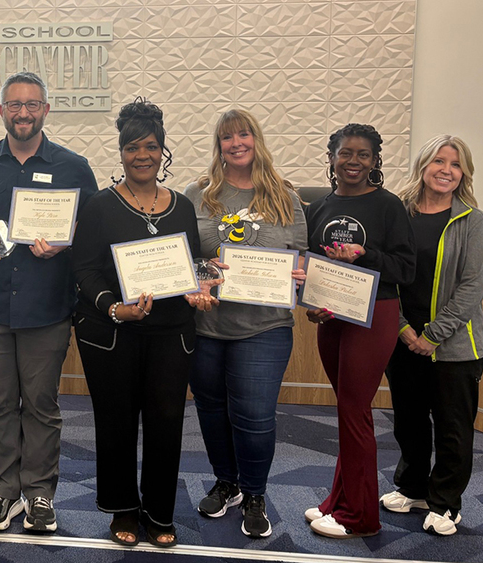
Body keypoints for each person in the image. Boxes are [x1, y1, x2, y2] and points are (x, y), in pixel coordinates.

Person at [0, 71, 98, 533]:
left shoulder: (74, 167)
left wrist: (65, 240)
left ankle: (39, 493)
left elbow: (92, 226)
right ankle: (2, 489)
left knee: (41, 404)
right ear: (2, 111)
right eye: (14, 104)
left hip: (47, 304)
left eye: (32, 104)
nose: (23, 113)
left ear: (45, 110)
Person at [72, 98, 217, 548]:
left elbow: (190, 265)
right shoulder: (99, 205)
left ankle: (158, 512)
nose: (142, 155)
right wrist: (116, 308)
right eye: (132, 147)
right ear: (120, 152)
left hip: (172, 332)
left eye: (151, 146)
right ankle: (123, 508)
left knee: (167, 421)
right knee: (116, 420)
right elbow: (85, 271)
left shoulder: (182, 207)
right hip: (113, 331)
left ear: (162, 151)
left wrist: (200, 287)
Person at [184, 109, 307, 538]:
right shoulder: (198, 194)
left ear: (256, 139)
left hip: (265, 327)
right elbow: (184, 256)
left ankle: (255, 493)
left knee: (254, 416)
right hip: (207, 325)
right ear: (218, 146)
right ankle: (227, 483)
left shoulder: (284, 196)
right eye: (227, 137)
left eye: (243, 134)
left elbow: (302, 256)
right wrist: (203, 270)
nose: (236, 143)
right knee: (212, 410)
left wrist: (300, 275)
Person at [304, 123, 416, 539]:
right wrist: (313, 306)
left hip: (374, 316)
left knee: (355, 411)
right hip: (331, 317)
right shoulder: (319, 206)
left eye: (363, 155)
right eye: (346, 153)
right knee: (347, 409)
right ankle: (339, 500)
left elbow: (406, 268)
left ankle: (360, 517)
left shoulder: (388, 206)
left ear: (375, 161)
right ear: (331, 158)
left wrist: (365, 253)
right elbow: (311, 264)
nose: (353, 161)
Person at [381, 135, 483, 536]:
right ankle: (413, 488)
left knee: (452, 429)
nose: (446, 170)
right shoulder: (399, 214)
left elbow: (472, 287)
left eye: (456, 164)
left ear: (464, 173)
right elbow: (386, 275)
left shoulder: (474, 221)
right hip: (403, 338)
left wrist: (432, 335)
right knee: (408, 422)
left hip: (455, 347)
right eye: (439, 161)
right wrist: (404, 329)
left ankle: (445, 503)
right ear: (423, 165)